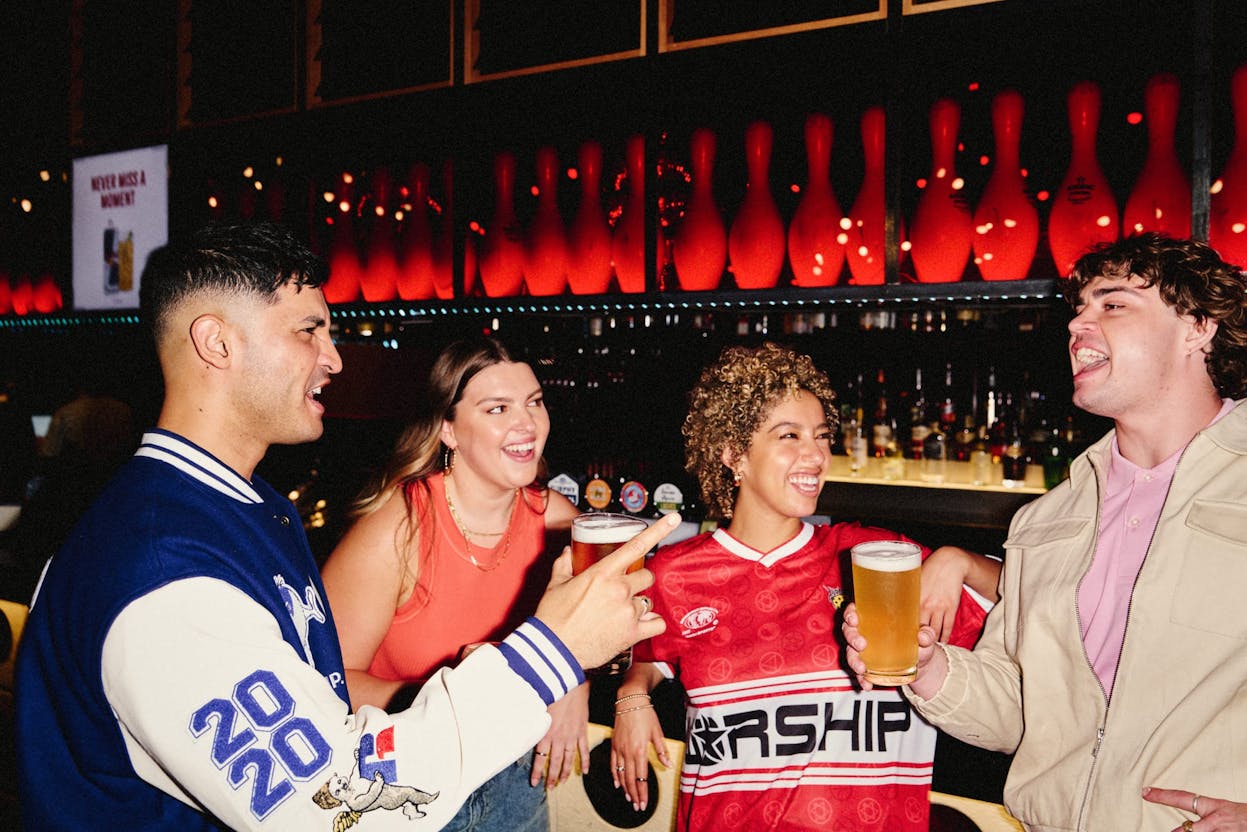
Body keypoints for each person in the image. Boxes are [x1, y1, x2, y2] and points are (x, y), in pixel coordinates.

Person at [15, 221, 675, 831]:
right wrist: (550, 654)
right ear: (217, 343)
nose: (333, 359)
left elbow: (322, 712)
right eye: (309, 331)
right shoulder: (162, 573)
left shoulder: (248, 509)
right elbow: (337, 808)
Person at [844, 232, 1247, 831]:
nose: (1077, 324)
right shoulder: (1045, 520)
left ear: (1197, 327)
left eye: (1113, 303)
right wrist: (925, 666)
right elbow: (1018, 708)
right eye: (1078, 309)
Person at [611, 342, 1001, 831]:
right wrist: (632, 696)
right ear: (733, 453)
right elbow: (649, 656)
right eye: (789, 436)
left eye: (821, 436)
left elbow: (1037, 595)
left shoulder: (875, 560)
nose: (815, 455)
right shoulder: (675, 572)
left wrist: (958, 561)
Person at [321, 335, 582, 831]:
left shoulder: (558, 522)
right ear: (448, 429)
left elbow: (611, 621)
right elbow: (324, 683)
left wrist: (574, 683)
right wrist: (450, 700)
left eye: (534, 402)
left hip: (513, 778)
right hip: (406, 785)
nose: (527, 423)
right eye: (497, 408)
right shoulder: (398, 529)